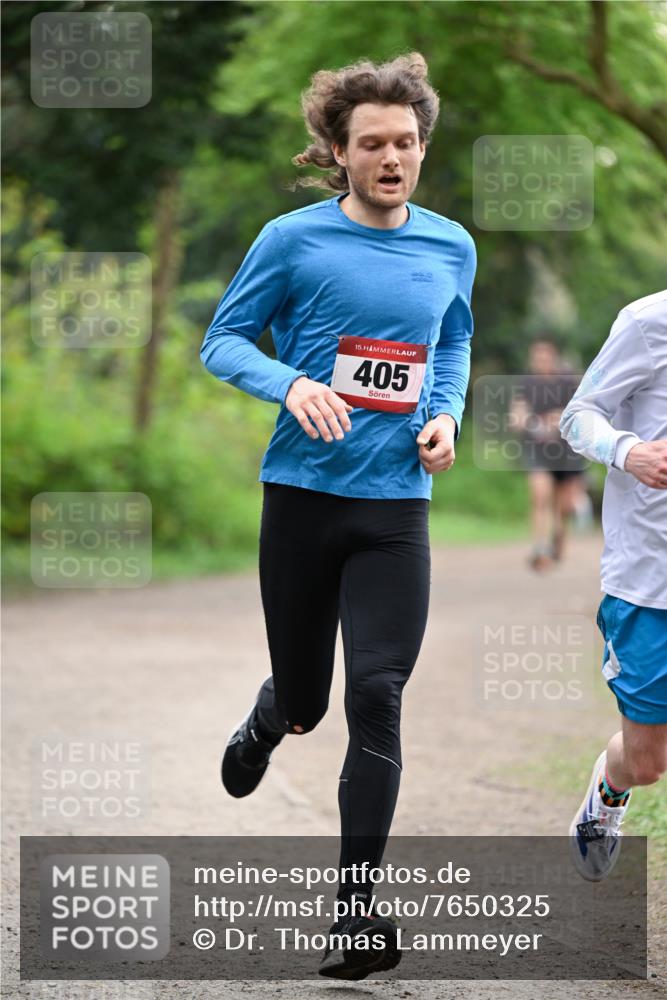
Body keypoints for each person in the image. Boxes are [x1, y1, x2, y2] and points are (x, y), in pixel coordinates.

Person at [200, 52, 476, 979]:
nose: (392, 157)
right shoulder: (292, 239)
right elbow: (224, 341)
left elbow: (455, 339)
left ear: (421, 148)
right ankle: (269, 717)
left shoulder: (450, 245)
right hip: (303, 502)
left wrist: (444, 412)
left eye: (406, 142)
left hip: (396, 507)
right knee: (313, 700)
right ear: (338, 149)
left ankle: (356, 915)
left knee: (377, 693)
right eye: (373, 144)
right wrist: (292, 387)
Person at [559, 289, 667, 881]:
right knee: (648, 761)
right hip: (649, 582)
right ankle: (609, 791)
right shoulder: (649, 321)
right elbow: (577, 417)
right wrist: (630, 452)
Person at [508, 338, 589, 571]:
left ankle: (559, 536)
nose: (540, 361)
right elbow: (517, 411)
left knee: (564, 506)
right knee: (539, 495)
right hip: (538, 451)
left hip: (566, 451)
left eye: (545, 356)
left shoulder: (568, 382)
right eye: (536, 357)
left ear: (553, 357)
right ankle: (540, 548)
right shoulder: (526, 384)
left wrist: (558, 417)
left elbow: (582, 410)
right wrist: (518, 419)